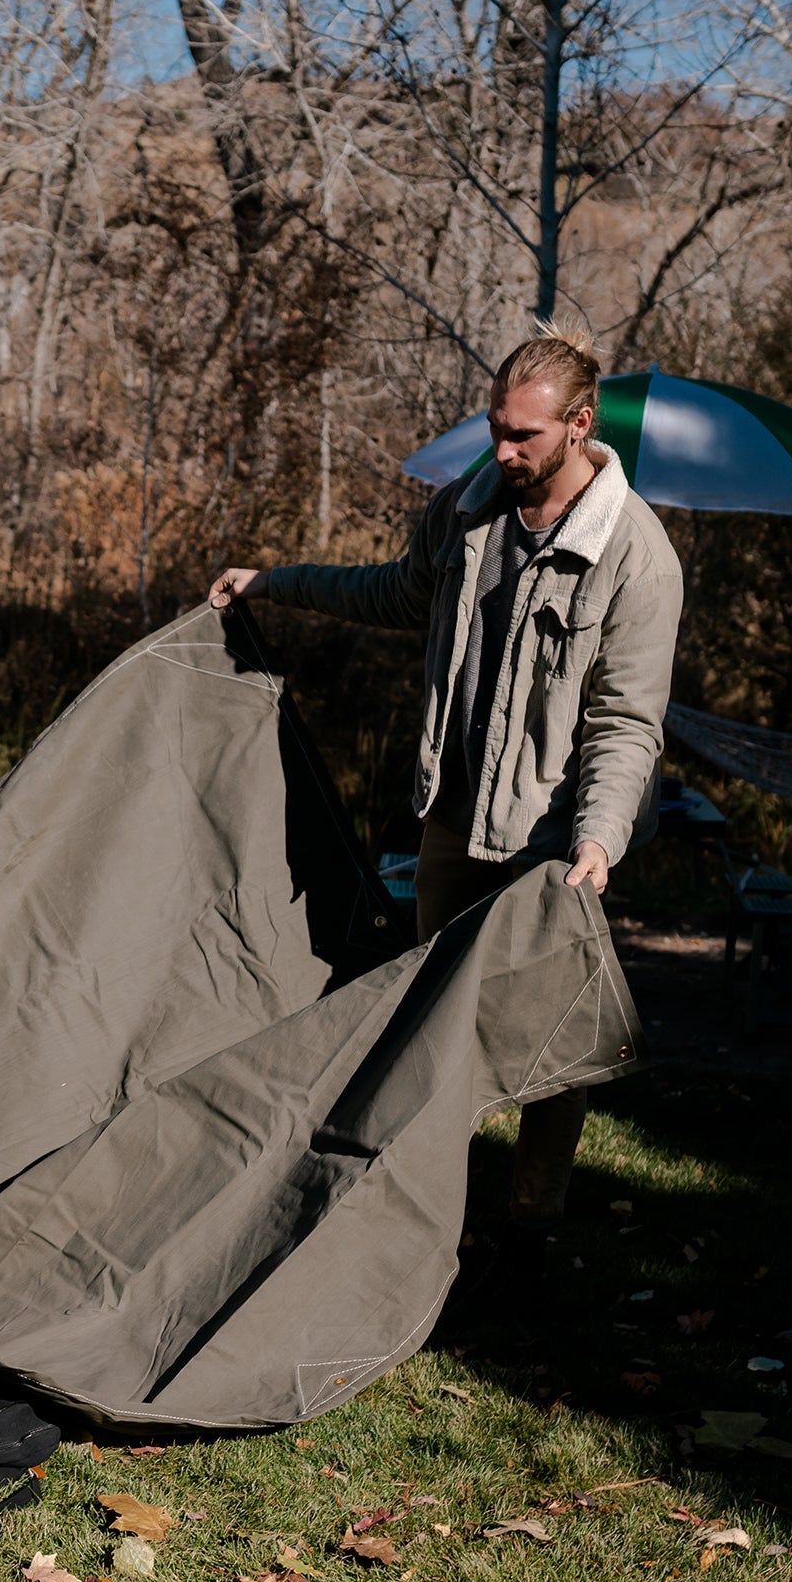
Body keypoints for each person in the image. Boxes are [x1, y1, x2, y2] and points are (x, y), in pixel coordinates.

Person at [210, 329, 681, 1221]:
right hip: (449, 824)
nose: (502, 450)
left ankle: (529, 1231)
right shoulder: (468, 514)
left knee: (550, 1049)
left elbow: (627, 721)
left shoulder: (638, 557)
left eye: (524, 436)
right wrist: (274, 583)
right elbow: (393, 592)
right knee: (431, 1029)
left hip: (549, 849)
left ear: (580, 426)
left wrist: (599, 838)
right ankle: (424, 1221)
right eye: (495, 427)